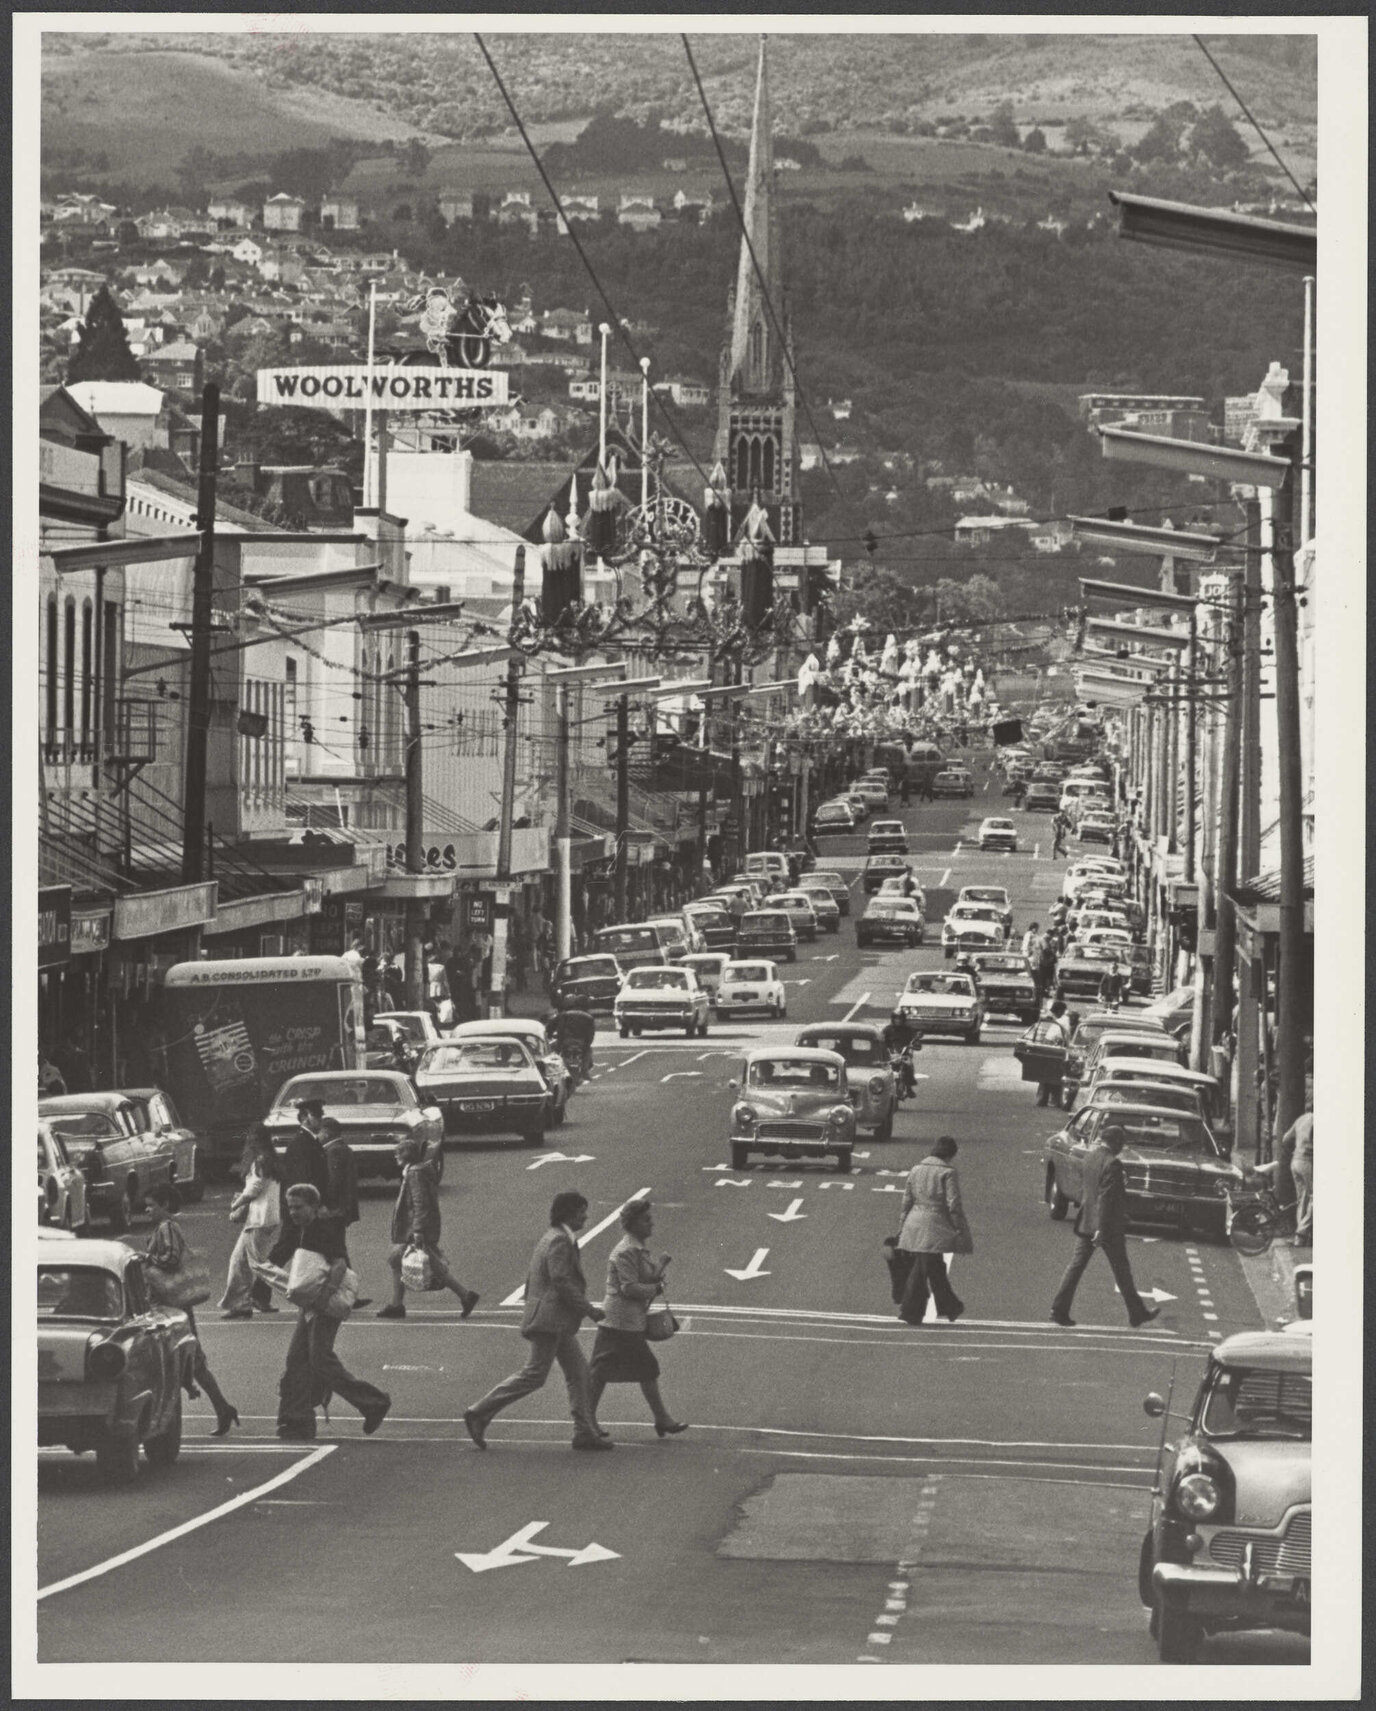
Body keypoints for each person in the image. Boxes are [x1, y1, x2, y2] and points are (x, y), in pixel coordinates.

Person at [462, 1190, 608, 1452]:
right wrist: (588, 1309)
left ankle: (584, 1431)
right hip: (551, 1320)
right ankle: (479, 1411)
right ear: (569, 1214)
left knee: (579, 1373)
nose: (585, 1217)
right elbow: (560, 1280)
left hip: (554, 1319)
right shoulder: (561, 1241)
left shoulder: (552, 1236)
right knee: (535, 1374)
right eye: (581, 1212)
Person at [267, 1183, 391, 1441]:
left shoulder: (323, 1229)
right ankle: (296, 1420)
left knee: (319, 1358)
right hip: (311, 1303)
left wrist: (323, 1298)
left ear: (313, 1206)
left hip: (323, 1302)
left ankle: (373, 1402)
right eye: (289, 1207)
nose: (293, 1212)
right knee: (297, 1358)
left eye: (298, 1207)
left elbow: (339, 1265)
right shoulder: (301, 1229)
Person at [587, 1198, 687, 1438]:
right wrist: (656, 1289)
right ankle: (661, 1419)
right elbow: (629, 1288)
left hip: (624, 1321)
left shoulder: (637, 1249)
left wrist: (659, 1268)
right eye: (646, 1220)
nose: (651, 1224)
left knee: (602, 1371)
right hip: (621, 1321)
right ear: (633, 1223)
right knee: (644, 1368)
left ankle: (586, 1419)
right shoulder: (627, 1251)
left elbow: (644, 1278)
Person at [145, 1190, 239, 1436]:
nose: (147, 1210)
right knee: (195, 1362)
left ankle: (220, 1409)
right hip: (176, 1305)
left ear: (164, 1204)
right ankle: (223, 1408)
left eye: (151, 1205)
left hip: (172, 1306)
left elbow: (171, 1259)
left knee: (188, 1360)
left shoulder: (166, 1227)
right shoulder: (166, 1227)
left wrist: (147, 1259)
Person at [1050, 1125, 1159, 1328]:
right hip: (1107, 1227)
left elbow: (1090, 1190)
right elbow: (1107, 1199)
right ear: (1116, 1142)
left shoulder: (1090, 1158)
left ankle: (1059, 1309)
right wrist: (1102, 1228)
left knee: (1076, 1267)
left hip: (1086, 1221)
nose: (1122, 1147)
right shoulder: (1113, 1164)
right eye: (1122, 1143)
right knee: (1122, 1270)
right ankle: (1137, 1313)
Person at [379, 1135, 479, 1318]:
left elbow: (420, 1202)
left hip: (417, 1228)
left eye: (397, 1153)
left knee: (398, 1259)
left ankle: (464, 1295)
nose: (395, 1157)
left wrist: (417, 1230)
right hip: (423, 1226)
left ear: (405, 1155)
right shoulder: (416, 1171)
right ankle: (397, 1304)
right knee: (424, 1262)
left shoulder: (414, 1173)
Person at [894, 1137, 972, 1325]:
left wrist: (902, 1226)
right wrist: (959, 1228)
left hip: (915, 1220)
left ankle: (949, 1306)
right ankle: (911, 1310)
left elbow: (906, 1201)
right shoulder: (948, 1172)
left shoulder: (916, 1169)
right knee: (923, 1267)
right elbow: (953, 1204)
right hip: (935, 1223)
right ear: (950, 1154)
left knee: (933, 1265)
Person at [220, 1137, 284, 1320]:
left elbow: (254, 1189)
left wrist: (236, 1204)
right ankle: (240, 1304)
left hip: (259, 1218)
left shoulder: (259, 1161)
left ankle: (299, 1289)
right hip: (267, 1217)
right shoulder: (271, 1161)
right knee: (239, 1261)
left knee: (257, 1264)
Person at [282, 1098, 330, 1201]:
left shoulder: (311, 1140)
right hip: (307, 1204)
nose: (320, 1120)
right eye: (316, 1116)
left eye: (321, 1116)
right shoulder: (300, 1143)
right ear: (304, 1117)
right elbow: (301, 1178)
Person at [1034, 999, 1072, 1108]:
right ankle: (1052, 1099)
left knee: (1048, 1076)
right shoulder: (1063, 1020)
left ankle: (1044, 1099)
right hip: (1061, 1050)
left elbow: (1055, 1037)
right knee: (1054, 1077)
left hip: (1057, 1050)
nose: (1054, 1014)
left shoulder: (1062, 1021)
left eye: (1055, 1011)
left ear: (1061, 1011)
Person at [1284, 1106, 1313, 1247]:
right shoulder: (1316, 1120)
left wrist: (1293, 1151)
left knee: (1302, 1199)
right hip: (1308, 1162)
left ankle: (1300, 1238)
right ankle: (1302, 1232)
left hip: (1295, 1161)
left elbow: (1285, 1139)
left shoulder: (1300, 1119)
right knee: (1314, 1198)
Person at [548, 1000, 596, 1077]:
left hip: (565, 1041)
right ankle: (584, 1071)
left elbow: (550, 1027)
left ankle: (554, 1069)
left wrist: (550, 1035)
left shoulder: (563, 1015)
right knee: (588, 1051)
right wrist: (587, 1043)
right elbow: (591, 1033)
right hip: (581, 1042)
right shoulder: (588, 1017)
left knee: (553, 1052)